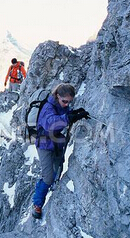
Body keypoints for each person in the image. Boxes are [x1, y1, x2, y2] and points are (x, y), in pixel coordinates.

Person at [32, 83, 90, 219]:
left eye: (69, 102)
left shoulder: (60, 105)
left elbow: (63, 115)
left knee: (58, 166)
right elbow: (51, 123)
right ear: (57, 96)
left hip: (56, 142)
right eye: (65, 101)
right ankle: (37, 205)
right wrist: (69, 118)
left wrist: (74, 114)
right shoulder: (48, 107)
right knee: (47, 177)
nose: (66, 104)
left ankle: (54, 185)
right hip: (45, 144)